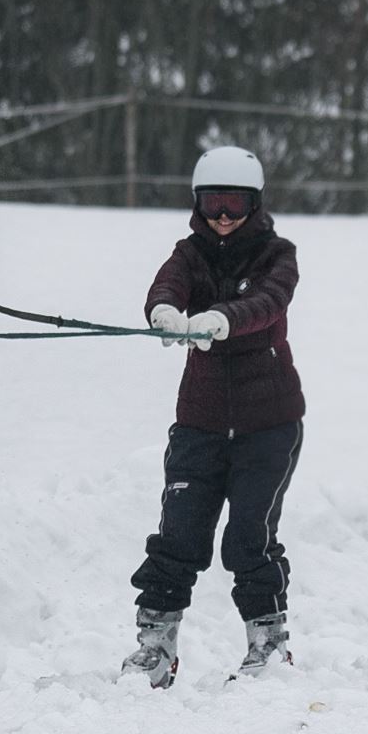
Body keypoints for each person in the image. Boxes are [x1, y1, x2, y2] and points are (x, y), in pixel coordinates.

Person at [121, 146, 305, 688]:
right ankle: (155, 645)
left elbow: (269, 303)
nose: (223, 215)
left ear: (255, 203)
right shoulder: (189, 253)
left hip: (268, 425)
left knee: (248, 538)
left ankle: (267, 645)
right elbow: (167, 285)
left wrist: (221, 319)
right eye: (213, 202)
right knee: (178, 536)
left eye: (235, 203)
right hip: (199, 424)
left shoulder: (278, 254)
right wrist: (164, 312)